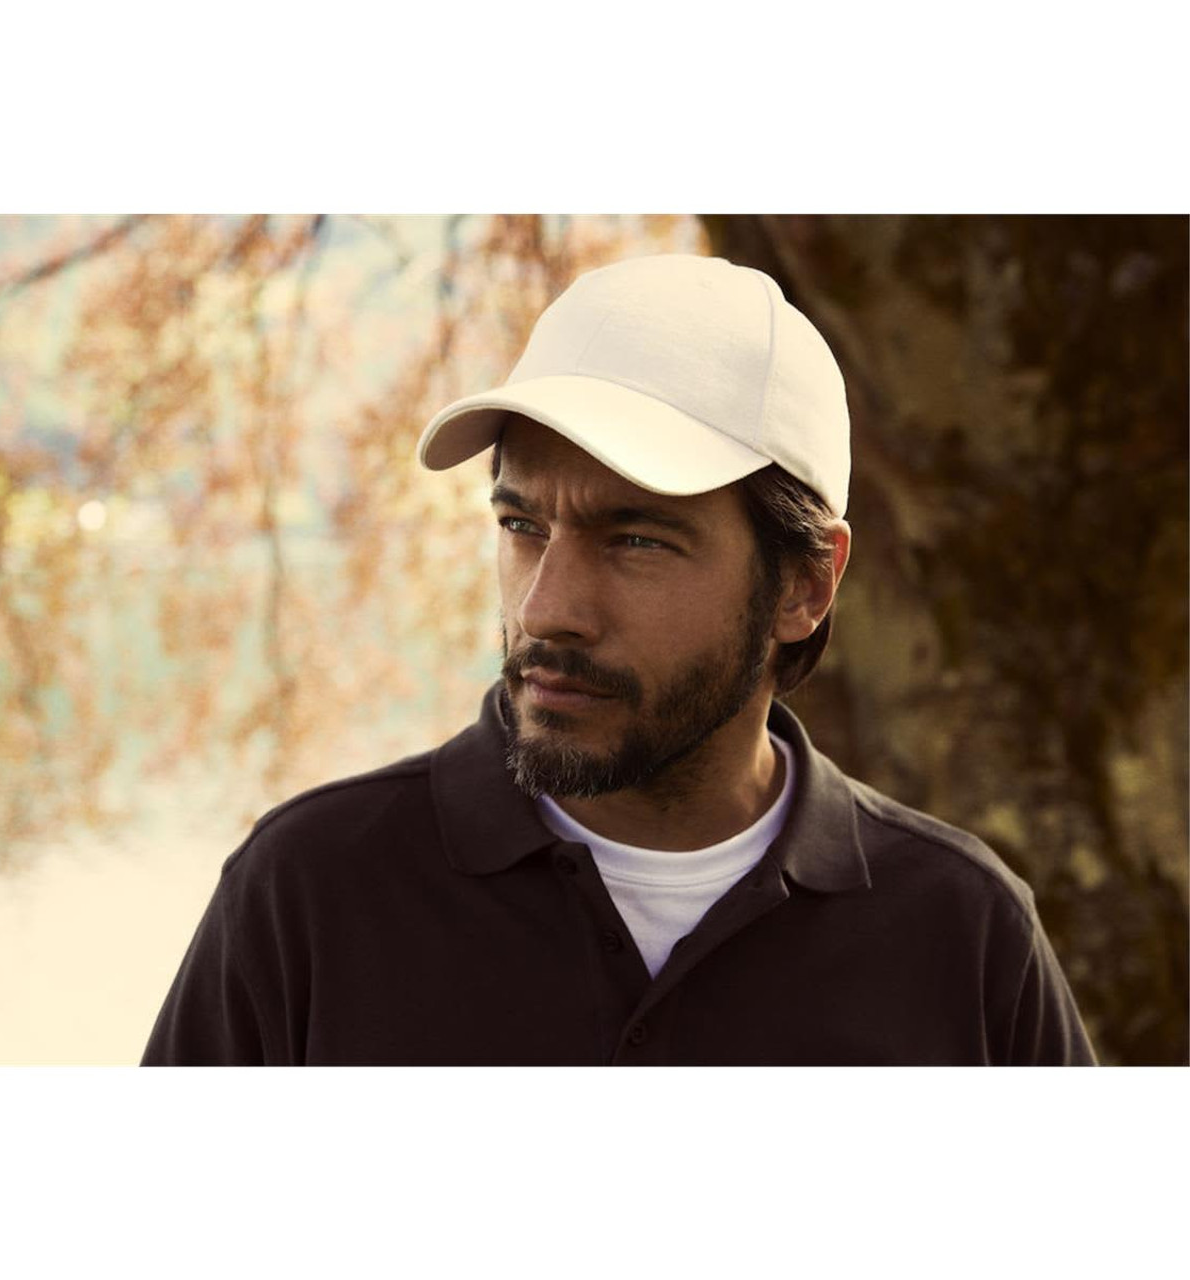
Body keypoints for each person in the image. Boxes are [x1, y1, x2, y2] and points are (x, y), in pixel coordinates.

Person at [141, 253, 1096, 1066]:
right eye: (522, 525)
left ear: (805, 585)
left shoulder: (962, 936)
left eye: (635, 540)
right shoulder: (308, 895)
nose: (546, 609)